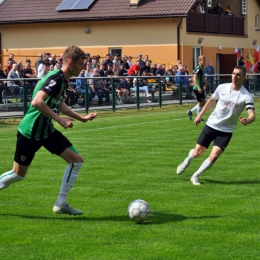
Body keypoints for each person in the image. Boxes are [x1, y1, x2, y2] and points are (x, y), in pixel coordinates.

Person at [0, 45, 97, 215]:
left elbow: (59, 105)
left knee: (76, 160)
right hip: (30, 132)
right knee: (18, 174)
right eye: (81, 64)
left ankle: (61, 203)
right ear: (70, 62)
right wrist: (59, 120)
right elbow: (37, 102)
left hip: (46, 131)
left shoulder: (63, 80)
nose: (83, 68)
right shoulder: (57, 79)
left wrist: (81, 118)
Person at [176, 66, 255, 185]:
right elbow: (211, 101)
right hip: (211, 125)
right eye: (233, 73)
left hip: (226, 131)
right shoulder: (222, 87)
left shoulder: (246, 96)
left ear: (244, 77)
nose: (234, 76)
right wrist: (200, 115)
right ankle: (188, 159)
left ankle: (195, 176)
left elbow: (252, 114)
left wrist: (248, 120)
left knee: (213, 156)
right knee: (198, 153)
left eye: (238, 74)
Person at [187, 55, 206, 121]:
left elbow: (202, 78)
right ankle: (199, 117)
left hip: (200, 88)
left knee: (203, 102)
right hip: (197, 88)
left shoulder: (202, 68)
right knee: (201, 103)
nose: (204, 62)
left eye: (204, 61)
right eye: (203, 61)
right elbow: (194, 78)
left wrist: (204, 84)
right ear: (199, 61)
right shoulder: (199, 68)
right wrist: (198, 88)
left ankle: (191, 112)